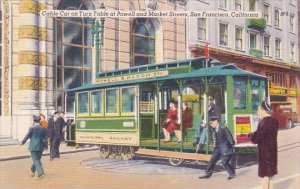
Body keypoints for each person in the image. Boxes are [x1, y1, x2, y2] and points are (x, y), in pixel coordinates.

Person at [249, 101, 279, 189]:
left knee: (265, 176)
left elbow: (257, 137)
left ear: (263, 110)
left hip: (265, 153)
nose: (257, 112)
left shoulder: (265, 122)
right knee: (271, 175)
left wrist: (250, 135)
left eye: (258, 110)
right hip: (272, 151)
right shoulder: (274, 121)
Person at [199, 114, 236, 180]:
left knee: (224, 162)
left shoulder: (223, 128)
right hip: (218, 147)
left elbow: (229, 137)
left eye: (211, 123)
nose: (211, 125)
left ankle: (232, 174)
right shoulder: (214, 128)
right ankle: (207, 174)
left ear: (216, 121)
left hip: (225, 147)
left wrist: (232, 145)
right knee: (212, 160)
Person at [20, 115, 48, 180]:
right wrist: (46, 146)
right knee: (37, 160)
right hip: (41, 146)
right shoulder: (44, 129)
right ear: (40, 121)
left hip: (33, 146)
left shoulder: (32, 128)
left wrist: (22, 142)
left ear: (34, 121)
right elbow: (45, 138)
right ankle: (33, 170)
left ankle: (40, 173)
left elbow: (27, 136)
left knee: (36, 160)